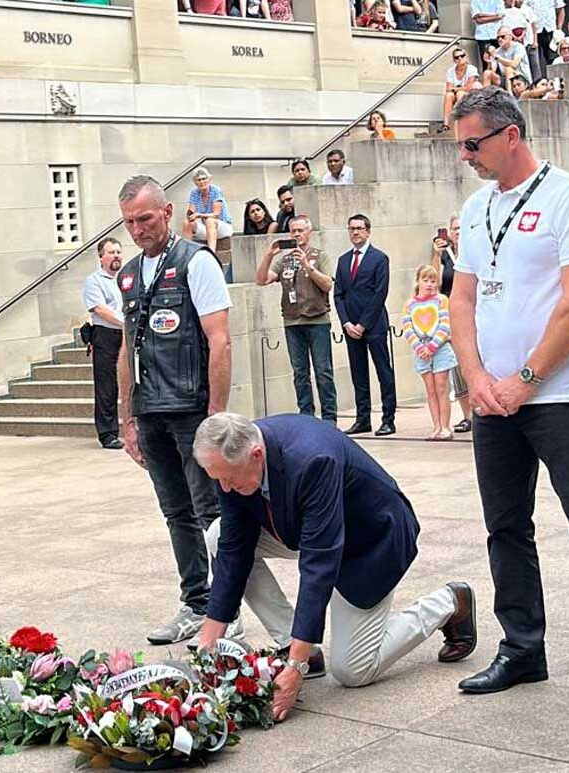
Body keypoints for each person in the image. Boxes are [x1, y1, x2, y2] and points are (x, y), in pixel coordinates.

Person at [448, 88, 569, 720]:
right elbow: (463, 298)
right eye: (459, 145)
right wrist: (476, 375)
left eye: (472, 143)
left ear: (511, 135)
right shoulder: (477, 207)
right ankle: (522, 648)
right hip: (492, 400)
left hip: (556, 397)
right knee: (505, 527)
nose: (465, 155)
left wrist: (526, 379)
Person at [194, 412, 477, 721]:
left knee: (353, 669)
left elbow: (318, 566)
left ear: (256, 454)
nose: (224, 487)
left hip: (370, 538)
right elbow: (234, 549)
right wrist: (207, 647)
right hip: (304, 527)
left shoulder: (313, 460)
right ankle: (295, 644)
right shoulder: (232, 462)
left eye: (228, 478)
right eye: (218, 478)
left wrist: (295, 667)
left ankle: (450, 602)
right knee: (218, 535)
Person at [115, 175, 234, 646]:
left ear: (166, 212)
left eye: (145, 218)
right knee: (176, 512)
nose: (137, 229)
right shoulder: (128, 275)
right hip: (150, 410)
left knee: (211, 512)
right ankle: (196, 604)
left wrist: (216, 415)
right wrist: (126, 418)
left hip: (191, 408)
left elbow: (219, 341)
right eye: (129, 222)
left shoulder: (195, 262)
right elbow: (127, 348)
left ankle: (227, 609)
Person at [255, 216, 338, 424]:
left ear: (309, 232)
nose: (297, 234)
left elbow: (328, 285)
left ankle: (329, 417)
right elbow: (261, 280)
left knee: (323, 371)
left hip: (317, 320)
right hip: (292, 322)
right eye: (293, 231)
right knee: (300, 373)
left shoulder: (320, 256)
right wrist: (268, 255)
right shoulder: (284, 260)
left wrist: (307, 266)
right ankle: (306, 415)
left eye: (301, 230)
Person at [333, 214, 398, 436]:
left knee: (383, 372)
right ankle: (363, 419)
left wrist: (362, 324)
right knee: (358, 374)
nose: (355, 232)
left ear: (368, 231)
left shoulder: (379, 258)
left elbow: (380, 293)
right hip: (351, 327)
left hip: (374, 325)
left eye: (359, 228)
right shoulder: (343, 260)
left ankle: (388, 419)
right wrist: (346, 322)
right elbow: (338, 294)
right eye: (351, 228)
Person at [402, 266, 458, 440]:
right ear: (418, 281)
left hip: (440, 348)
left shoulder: (441, 300)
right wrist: (420, 348)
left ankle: (445, 426)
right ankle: (436, 426)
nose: (429, 284)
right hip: (421, 351)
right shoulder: (410, 304)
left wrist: (432, 346)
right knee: (431, 389)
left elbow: (444, 325)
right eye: (425, 280)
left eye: (433, 281)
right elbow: (408, 328)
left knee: (441, 387)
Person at [81, 237, 125, 450]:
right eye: (111, 252)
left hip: (127, 334)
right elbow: (99, 309)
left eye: (118, 252)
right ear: (101, 257)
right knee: (106, 385)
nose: (116, 256)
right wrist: (125, 323)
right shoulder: (93, 281)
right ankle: (108, 433)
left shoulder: (127, 278)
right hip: (106, 335)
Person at [431, 215, 474, 432]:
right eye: (454, 228)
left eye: (461, 228)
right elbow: (435, 284)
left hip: (475, 313)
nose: (458, 232)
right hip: (452, 316)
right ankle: (468, 415)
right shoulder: (446, 256)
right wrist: (437, 256)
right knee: (458, 367)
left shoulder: (473, 252)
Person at [181, 167, 233, 255]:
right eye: (199, 180)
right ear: (195, 182)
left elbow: (216, 214)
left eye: (204, 179)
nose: (202, 182)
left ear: (208, 179)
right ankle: (185, 254)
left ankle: (211, 253)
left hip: (222, 226)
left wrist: (199, 215)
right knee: (187, 223)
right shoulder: (194, 192)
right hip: (206, 228)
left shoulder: (216, 190)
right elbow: (191, 211)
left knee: (210, 220)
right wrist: (190, 215)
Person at [443, 47, 480, 130]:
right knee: (449, 95)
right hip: (458, 93)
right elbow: (448, 89)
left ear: (465, 57)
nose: (460, 58)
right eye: (457, 57)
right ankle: (446, 124)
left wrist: (455, 89)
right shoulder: (451, 71)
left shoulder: (472, 69)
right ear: (454, 60)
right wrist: (459, 88)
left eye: (462, 56)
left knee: (460, 93)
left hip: (471, 94)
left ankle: (462, 122)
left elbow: (469, 87)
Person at [532, 0, 566, 76]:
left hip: (550, 29)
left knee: (553, 57)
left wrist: (559, 29)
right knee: (536, 60)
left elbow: (561, 9)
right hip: (534, 32)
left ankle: (555, 78)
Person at [471, 0, 505, 64]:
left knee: (500, 62)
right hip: (482, 36)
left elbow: (500, 16)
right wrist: (495, 15)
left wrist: (482, 15)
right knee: (486, 62)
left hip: (496, 34)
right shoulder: (475, 1)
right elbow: (478, 20)